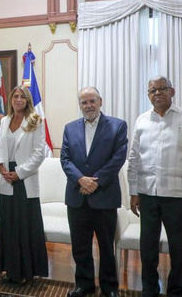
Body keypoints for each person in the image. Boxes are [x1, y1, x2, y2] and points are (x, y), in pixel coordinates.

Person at [128, 76, 182, 297]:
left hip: (179, 196)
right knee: (148, 249)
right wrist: (133, 192)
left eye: (162, 89)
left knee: (178, 249)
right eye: (152, 90)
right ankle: (150, 289)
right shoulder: (142, 121)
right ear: (148, 95)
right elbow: (134, 159)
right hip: (148, 195)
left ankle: (176, 291)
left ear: (172, 91)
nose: (157, 93)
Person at [60, 87, 127, 297]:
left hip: (104, 196)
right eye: (84, 102)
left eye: (92, 101)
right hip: (77, 197)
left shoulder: (117, 126)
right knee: (80, 247)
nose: (88, 106)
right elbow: (65, 159)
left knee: (107, 247)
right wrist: (80, 179)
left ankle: (109, 288)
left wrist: (94, 182)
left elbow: (118, 158)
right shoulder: (70, 128)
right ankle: (84, 285)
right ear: (79, 105)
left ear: (100, 101)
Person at [0, 85, 48, 285]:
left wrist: (20, 172)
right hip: (7, 177)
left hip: (24, 179)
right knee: (9, 226)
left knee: (25, 227)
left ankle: (26, 272)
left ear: (27, 101)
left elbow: (39, 153)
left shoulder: (35, 121)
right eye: (15, 96)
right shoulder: (6, 120)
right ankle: (11, 271)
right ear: (11, 100)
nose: (18, 100)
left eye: (22, 97)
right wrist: (0, 166)